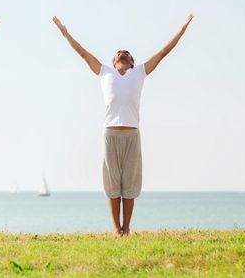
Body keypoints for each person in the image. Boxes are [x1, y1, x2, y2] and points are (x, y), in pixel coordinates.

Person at [52, 14, 194, 236]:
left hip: (131, 134)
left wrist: (182, 29)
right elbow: (81, 52)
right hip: (110, 134)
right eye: (119, 53)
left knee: (129, 184)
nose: (122, 52)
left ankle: (126, 228)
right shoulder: (104, 72)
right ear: (114, 61)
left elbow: (164, 52)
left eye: (126, 53)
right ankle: (116, 228)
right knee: (112, 184)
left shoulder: (139, 73)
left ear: (131, 62)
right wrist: (64, 32)